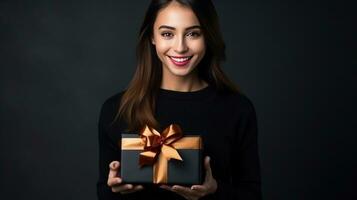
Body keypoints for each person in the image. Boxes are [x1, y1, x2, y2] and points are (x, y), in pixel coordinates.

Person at [96, 0, 262, 199]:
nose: (180, 47)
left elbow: (252, 194)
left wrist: (215, 190)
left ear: (207, 36)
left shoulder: (237, 109)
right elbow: (103, 193)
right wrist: (114, 189)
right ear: (152, 36)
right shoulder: (116, 110)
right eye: (167, 34)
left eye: (193, 34)